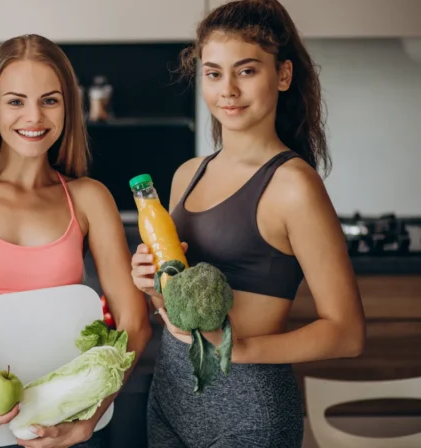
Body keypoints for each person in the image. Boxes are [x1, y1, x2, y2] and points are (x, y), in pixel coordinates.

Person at [130, 1, 366, 447]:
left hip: (250, 412)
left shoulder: (293, 186)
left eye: (247, 71)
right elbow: (184, 316)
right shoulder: (187, 174)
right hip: (170, 400)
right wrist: (153, 290)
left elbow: (347, 332)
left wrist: (240, 349)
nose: (228, 90)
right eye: (214, 73)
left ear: (283, 76)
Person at [0, 34, 152, 448]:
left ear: (67, 108)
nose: (34, 116)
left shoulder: (89, 198)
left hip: (69, 425)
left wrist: (89, 420)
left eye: (50, 100)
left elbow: (135, 324)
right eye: (16, 101)